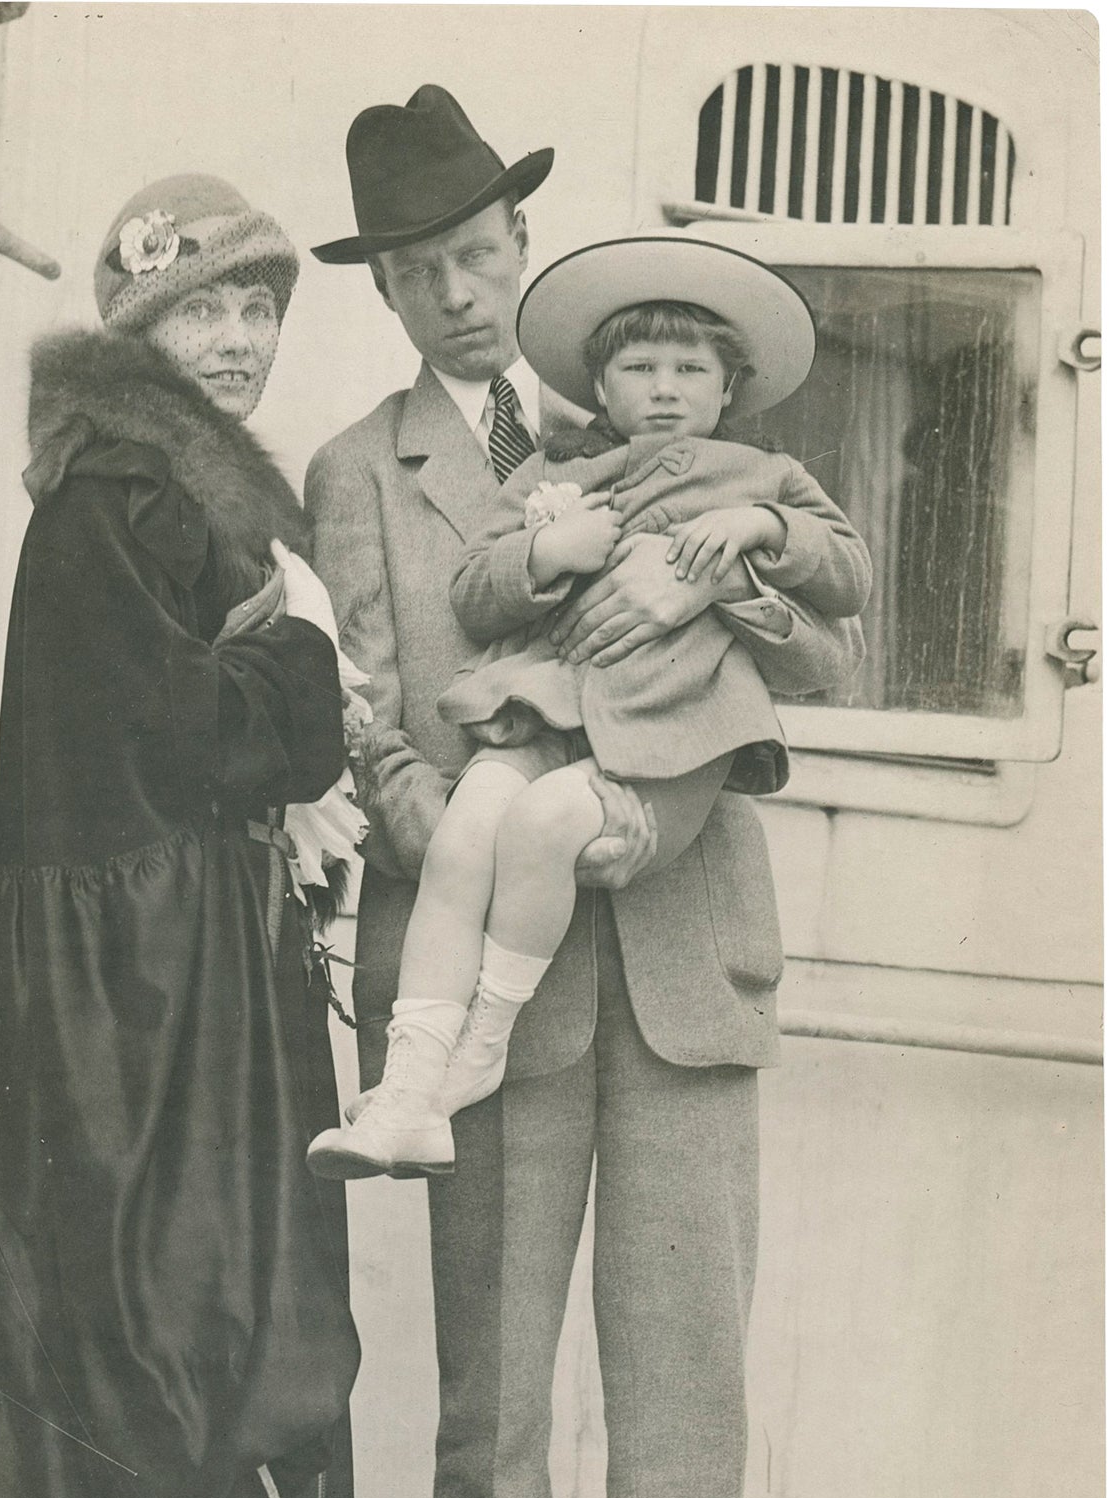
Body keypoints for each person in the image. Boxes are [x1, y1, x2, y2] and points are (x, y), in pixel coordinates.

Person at [307, 85, 859, 1498]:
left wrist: (737, 599)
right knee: (490, 1414)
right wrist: (472, 826)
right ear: (380, 294)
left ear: (520, 258)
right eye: (416, 272)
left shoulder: (655, 425)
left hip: (688, 965)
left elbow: (806, 647)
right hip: (494, 993)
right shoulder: (357, 468)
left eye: (478, 256)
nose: (457, 294)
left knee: (684, 1400)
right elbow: (368, 716)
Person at [0, 174, 364, 1498]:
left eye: (262, 307)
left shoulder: (171, 497)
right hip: (118, 987)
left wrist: (283, 684)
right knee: (112, 1343)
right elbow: (202, 729)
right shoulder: (121, 493)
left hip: (170, 959)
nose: (243, 336)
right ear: (139, 335)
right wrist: (303, 682)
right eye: (205, 311)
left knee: (164, 1336)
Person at [309, 238, 870, 1176]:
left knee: (676, 1298)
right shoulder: (555, 470)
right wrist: (547, 551)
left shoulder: (762, 477)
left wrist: (744, 552)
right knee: (479, 824)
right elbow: (456, 603)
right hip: (547, 723)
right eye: (639, 369)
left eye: (690, 370)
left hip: (676, 762)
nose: (664, 389)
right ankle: (415, 1086)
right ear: (600, 388)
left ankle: (478, 1042)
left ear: (729, 387)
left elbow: (842, 596)